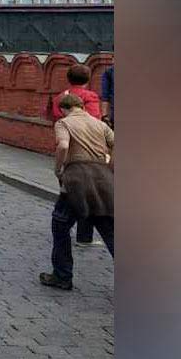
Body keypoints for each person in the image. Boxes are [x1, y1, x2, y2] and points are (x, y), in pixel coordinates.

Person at [39, 92, 115, 291]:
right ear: (82, 106)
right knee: (109, 229)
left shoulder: (64, 123)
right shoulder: (100, 124)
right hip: (103, 179)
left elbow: (63, 145)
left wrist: (58, 168)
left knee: (60, 223)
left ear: (63, 109)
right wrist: (110, 167)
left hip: (77, 179)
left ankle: (62, 275)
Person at [44, 64, 106, 248]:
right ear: (88, 79)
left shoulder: (59, 98)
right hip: (86, 153)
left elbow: (52, 117)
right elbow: (95, 121)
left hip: (64, 150)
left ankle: (73, 232)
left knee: (69, 192)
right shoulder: (90, 97)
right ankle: (83, 236)